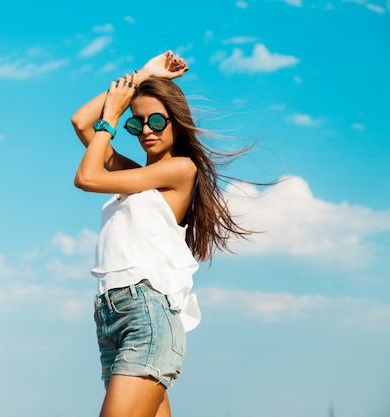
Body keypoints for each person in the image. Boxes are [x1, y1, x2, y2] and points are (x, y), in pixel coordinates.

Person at [71, 50, 252, 417]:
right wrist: (143, 75)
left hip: (146, 315)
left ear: (176, 120)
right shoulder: (136, 177)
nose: (146, 131)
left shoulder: (180, 170)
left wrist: (112, 117)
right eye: (136, 124)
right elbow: (80, 124)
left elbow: (87, 178)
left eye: (156, 119)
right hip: (112, 318)